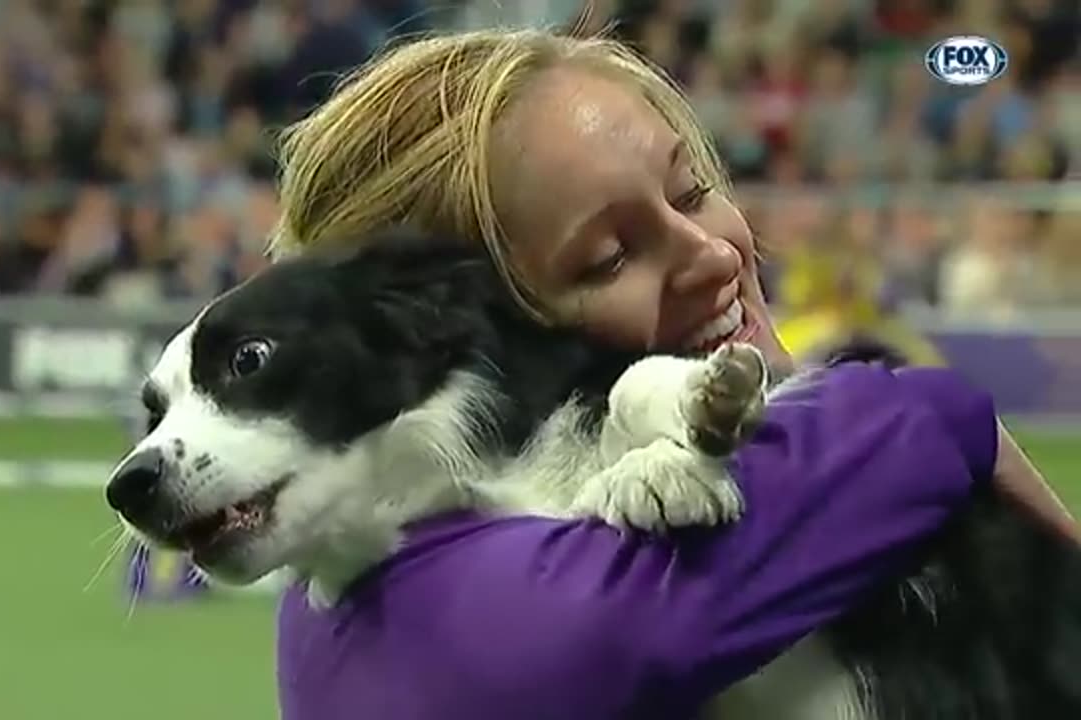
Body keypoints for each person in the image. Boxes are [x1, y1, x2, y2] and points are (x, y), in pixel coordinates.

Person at [265, 29, 1079, 719]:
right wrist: (915, 415)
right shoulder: (486, 625)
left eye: (691, 191)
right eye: (609, 257)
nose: (715, 253)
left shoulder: (347, 578)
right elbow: (918, 429)